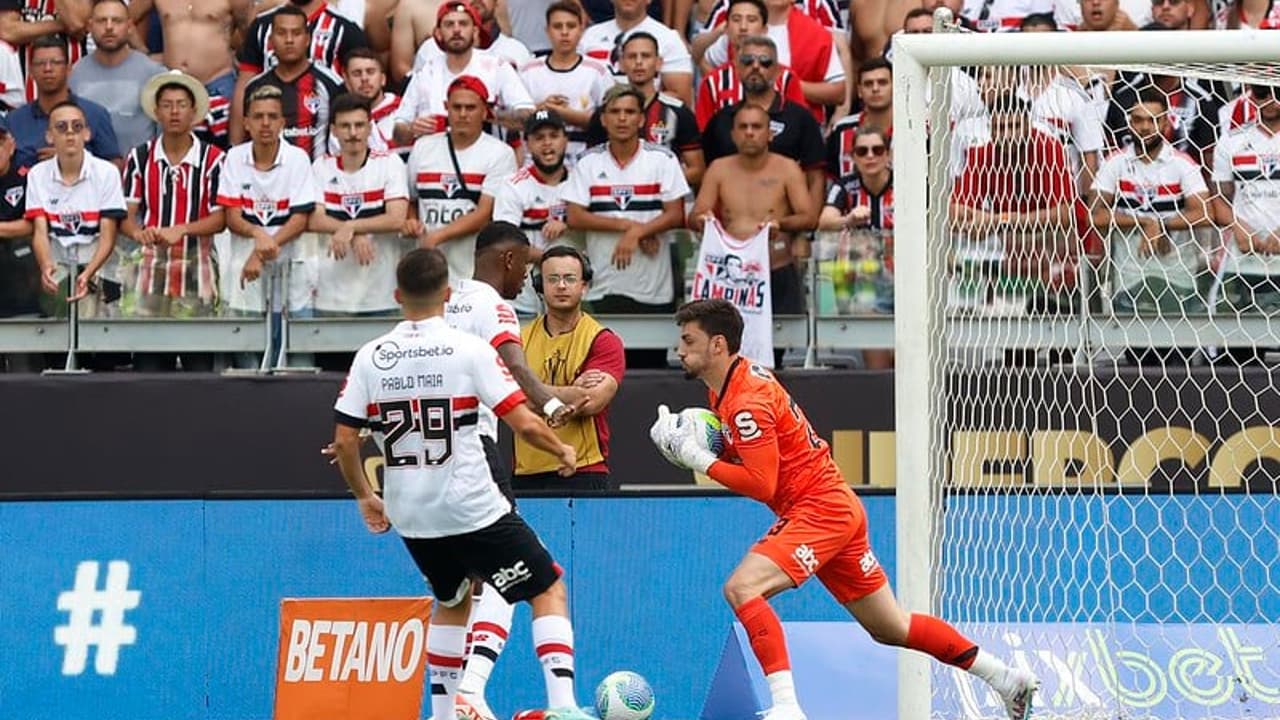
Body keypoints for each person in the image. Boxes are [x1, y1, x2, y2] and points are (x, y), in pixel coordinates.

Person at [649, 298, 1039, 720]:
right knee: (891, 626)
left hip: (819, 510)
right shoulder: (730, 386)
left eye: (688, 341)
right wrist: (690, 437)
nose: (679, 350)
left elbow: (763, 484)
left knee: (742, 589)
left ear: (718, 345)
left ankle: (786, 707)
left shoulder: (746, 402)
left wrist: (697, 457)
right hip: (834, 506)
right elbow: (753, 449)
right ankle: (1004, 677)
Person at [331, 246, 595, 720]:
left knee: (451, 600)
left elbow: (346, 441)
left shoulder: (371, 357)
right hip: (471, 504)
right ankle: (564, 707)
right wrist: (561, 449)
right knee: (547, 587)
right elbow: (523, 422)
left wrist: (365, 495)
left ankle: (445, 712)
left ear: (396, 295)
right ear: (448, 295)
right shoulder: (469, 349)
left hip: (412, 512)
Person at [564, 83, 689, 369]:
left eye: (630, 112)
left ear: (642, 119)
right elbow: (575, 217)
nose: (622, 118)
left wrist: (640, 232)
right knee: (603, 370)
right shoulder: (588, 162)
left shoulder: (663, 159)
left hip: (653, 286)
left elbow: (676, 214)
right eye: (615, 112)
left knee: (650, 371)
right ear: (603, 118)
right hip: (603, 283)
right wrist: (630, 227)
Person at [690, 103, 814, 368]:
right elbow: (696, 214)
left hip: (775, 269)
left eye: (756, 127)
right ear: (733, 134)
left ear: (770, 133)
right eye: (743, 127)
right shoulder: (719, 169)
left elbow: (808, 216)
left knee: (773, 356)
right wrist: (704, 220)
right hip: (730, 277)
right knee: (725, 352)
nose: (749, 133)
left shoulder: (787, 168)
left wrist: (780, 223)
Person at [121, 70, 227, 372]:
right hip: (151, 268)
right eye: (167, 105)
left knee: (199, 361)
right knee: (149, 361)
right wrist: (138, 233)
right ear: (156, 112)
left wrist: (182, 229)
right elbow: (127, 216)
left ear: (194, 112)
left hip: (199, 266)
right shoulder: (139, 157)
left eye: (181, 104)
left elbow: (220, 218)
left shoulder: (214, 159)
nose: (175, 111)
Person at [514, 245, 626, 493]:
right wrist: (573, 390)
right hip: (526, 471)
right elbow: (508, 401)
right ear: (539, 286)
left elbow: (592, 401)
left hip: (584, 469)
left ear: (584, 286)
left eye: (569, 278)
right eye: (552, 279)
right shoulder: (519, 339)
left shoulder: (603, 339)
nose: (561, 286)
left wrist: (530, 392)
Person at [216, 85, 317, 357]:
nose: (265, 123)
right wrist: (258, 235)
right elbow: (232, 217)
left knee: (298, 361)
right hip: (245, 276)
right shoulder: (234, 158)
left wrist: (261, 250)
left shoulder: (298, 158)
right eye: (258, 116)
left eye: (273, 117)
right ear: (246, 123)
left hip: (292, 274)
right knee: (247, 362)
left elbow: (300, 218)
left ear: (283, 123)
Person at [404, 75, 517, 282]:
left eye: (470, 108)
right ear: (446, 107)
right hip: (428, 271)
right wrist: (411, 220)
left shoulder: (500, 154)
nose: (463, 114)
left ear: (484, 111)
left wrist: (437, 236)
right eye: (456, 107)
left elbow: (485, 213)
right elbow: (411, 200)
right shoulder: (423, 147)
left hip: (472, 271)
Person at [309, 92, 408, 319]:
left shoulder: (389, 163)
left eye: (359, 125)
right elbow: (315, 219)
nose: (353, 133)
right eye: (345, 126)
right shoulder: (320, 167)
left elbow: (396, 218)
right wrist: (353, 232)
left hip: (381, 292)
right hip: (332, 295)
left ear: (370, 127)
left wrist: (350, 227)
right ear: (333, 129)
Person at [28, 100, 128, 320]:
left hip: (100, 266)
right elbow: (40, 232)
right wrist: (46, 266)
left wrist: (88, 274)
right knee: (57, 343)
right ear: (49, 136)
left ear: (87, 133)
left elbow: (108, 235)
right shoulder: (37, 174)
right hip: (59, 266)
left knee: (105, 346)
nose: (70, 134)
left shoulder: (107, 172)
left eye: (77, 127)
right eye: (61, 128)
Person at [392, 1, 535, 147]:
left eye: (463, 24)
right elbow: (398, 132)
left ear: (475, 31)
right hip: (435, 158)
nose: (456, 30)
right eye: (449, 24)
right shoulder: (425, 73)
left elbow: (530, 116)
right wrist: (411, 129)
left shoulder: (497, 68)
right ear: (438, 33)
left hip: (488, 156)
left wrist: (489, 115)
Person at [123, 0, 253, 148]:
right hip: (172, 85)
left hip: (218, 82)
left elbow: (250, 32)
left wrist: (235, 55)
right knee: (173, 150)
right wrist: (144, 54)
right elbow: (122, 19)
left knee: (223, 151)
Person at [491, 109, 578, 315]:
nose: (547, 143)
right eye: (539, 138)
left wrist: (568, 224)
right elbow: (505, 244)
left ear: (565, 140)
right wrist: (551, 258)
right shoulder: (513, 185)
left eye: (554, 136)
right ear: (527, 144)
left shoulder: (581, 181)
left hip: (573, 292)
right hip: (524, 294)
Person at [241, 5, 345, 161]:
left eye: (296, 33)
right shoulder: (255, 87)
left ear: (307, 39)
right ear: (271, 40)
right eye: (281, 33)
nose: (289, 40)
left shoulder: (331, 84)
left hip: (315, 178)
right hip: (269, 179)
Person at [10, 34, 121, 171]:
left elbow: (115, 166)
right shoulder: (14, 120)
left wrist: (74, 159)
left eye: (56, 62)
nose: (48, 69)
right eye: (40, 63)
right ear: (31, 71)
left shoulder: (95, 114)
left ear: (68, 69)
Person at [69, 0, 166, 154]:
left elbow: (165, 134)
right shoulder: (75, 75)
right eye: (102, 21)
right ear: (90, 26)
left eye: (117, 21)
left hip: (138, 172)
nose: (109, 27)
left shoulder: (154, 74)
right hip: (89, 173)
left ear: (129, 26)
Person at [520, 1, 611, 162]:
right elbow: (511, 120)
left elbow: (610, 120)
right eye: (557, 26)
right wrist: (541, 110)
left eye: (570, 26)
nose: (564, 32)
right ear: (547, 31)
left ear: (581, 30)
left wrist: (566, 115)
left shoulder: (598, 71)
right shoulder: (528, 71)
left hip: (585, 159)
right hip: (535, 160)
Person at [578, 0, 694, 105]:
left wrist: (631, 105)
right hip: (595, 120)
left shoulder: (668, 38)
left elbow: (681, 96)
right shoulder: (589, 36)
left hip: (649, 121)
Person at [0, 116, 39, 372]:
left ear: (10, 145)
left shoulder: (28, 176)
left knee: (24, 372)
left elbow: (34, 224)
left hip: (20, 281)